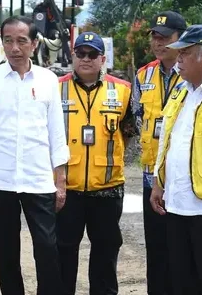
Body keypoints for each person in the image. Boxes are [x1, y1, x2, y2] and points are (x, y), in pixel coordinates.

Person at [0, 15, 68, 294]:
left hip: (38, 179)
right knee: (6, 251)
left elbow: (56, 132)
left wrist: (60, 179)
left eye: (21, 41)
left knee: (47, 248)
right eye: (8, 41)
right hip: (1, 181)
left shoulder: (48, 80)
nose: (14, 48)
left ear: (34, 44)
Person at [151, 25, 202, 295]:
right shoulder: (181, 91)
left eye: (185, 54)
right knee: (182, 282)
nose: (179, 60)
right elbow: (168, 139)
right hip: (177, 206)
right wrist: (158, 181)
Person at [56, 32, 137, 295]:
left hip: (108, 188)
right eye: (81, 53)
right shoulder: (55, 88)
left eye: (92, 54)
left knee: (105, 253)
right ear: (73, 56)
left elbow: (131, 133)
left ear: (103, 59)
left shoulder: (123, 90)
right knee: (62, 253)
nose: (86, 59)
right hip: (66, 189)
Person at [131, 10, 187, 295]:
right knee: (155, 247)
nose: (158, 42)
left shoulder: (191, 73)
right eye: (154, 36)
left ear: (181, 40)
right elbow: (137, 117)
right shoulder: (143, 75)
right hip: (150, 176)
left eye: (165, 37)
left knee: (181, 250)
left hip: (183, 178)